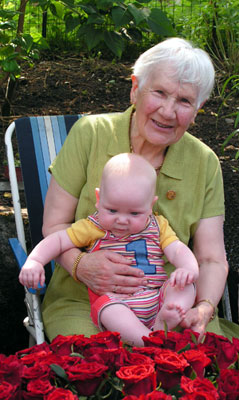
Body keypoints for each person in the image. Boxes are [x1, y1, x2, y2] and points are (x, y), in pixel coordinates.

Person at [41, 37, 238, 343]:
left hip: (171, 302)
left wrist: (203, 307)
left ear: (197, 109)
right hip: (86, 298)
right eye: (159, 92)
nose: (168, 111)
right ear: (135, 88)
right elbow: (55, 225)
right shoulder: (91, 135)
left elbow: (212, 258)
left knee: (204, 372)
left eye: (185, 101)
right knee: (92, 365)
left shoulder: (204, 162)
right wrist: (82, 265)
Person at [19, 153, 198, 346]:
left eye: (134, 213)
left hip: (157, 297)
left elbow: (176, 249)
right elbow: (59, 240)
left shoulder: (158, 225)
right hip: (117, 301)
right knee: (107, 309)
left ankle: (163, 321)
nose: (121, 220)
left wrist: (188, 268)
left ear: (150, 206)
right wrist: (35, 261)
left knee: (185, 286)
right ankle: (145, 340)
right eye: (112, 210)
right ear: (98, 198)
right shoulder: (93, 226)